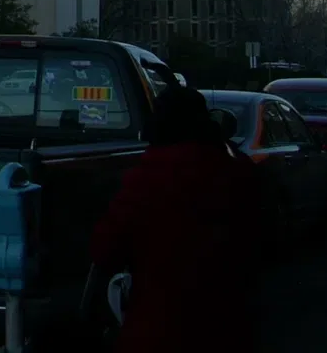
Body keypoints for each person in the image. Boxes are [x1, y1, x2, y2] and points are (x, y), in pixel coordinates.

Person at [89, 85, 264, 353]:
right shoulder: (237, 171)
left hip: (158, 324)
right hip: (227, 322)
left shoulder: (146, 179)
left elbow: (106, 248)